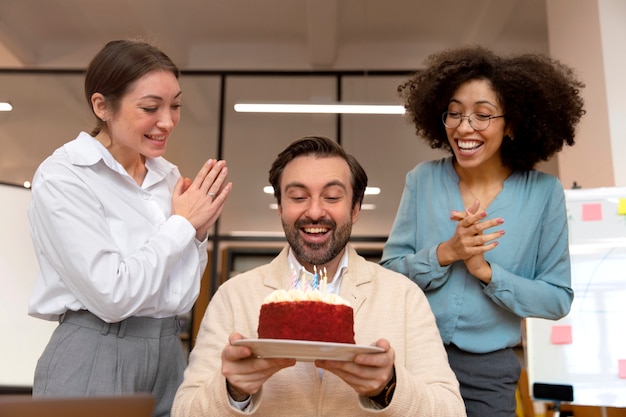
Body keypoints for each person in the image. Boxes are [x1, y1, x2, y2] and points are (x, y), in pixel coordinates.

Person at [172, 135, 466, 416]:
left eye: (332, 196)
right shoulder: (234, 296)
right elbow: (185, 410)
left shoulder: (403, 296)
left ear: (355, 209)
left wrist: (388, 386)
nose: (314, 211)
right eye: (298, 196)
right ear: (281, 207)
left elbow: (451, 411)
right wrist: (233, 390)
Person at [27, 39, 231, 417]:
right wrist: (182, 224)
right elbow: (112, 295)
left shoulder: (167, 176)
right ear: (102, 106)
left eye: (175, 106)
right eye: (150, 108)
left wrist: (197, 234)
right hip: (95, 349)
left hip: (169, 348)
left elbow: (181, 297)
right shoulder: (65, 177)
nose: (167, 121)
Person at [380, 45, 586, 416]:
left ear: (512, 125)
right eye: (455, 114)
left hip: (489, 372)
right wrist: (445, 253)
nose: (464, 127)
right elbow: (389, 275)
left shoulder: (543, 193)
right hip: (413, 358)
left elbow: (557, 299)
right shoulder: (422, 179)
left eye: (482, 115)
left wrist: (486, 273)